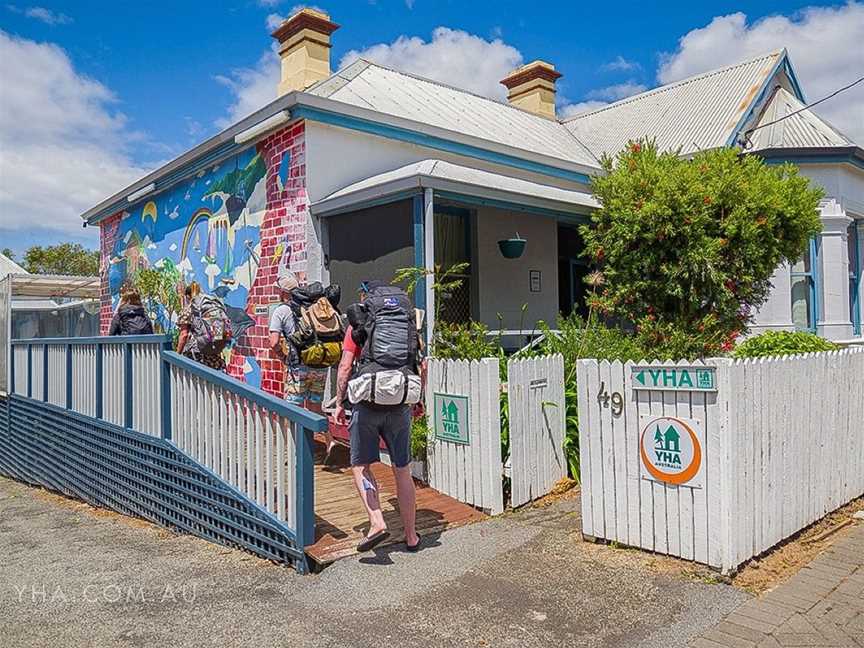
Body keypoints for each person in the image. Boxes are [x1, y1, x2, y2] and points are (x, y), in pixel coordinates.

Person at [333, 280, 421, 553]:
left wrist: (339, 402)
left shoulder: (358, 324)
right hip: (399, 404)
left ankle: (377, 521)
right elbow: (422, 363)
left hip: (367, 404)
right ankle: (411, 536)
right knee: (402, 470)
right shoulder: (408, 322)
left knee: (361, 465)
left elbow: (345, 366)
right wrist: (420, 401)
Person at [268, 272, 335, 457]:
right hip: (320, 364)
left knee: (293, 410)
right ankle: (329, 440)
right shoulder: (315, 307)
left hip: (298, 367)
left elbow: (273, 342)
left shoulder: (281, 311)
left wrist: (283, 357)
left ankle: (295, 451)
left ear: (282, 292)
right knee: (315, 407)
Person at [177, 281, 231, 371]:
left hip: (196, 355)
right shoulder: (211, 305)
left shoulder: (188, 310)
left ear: (188, 296)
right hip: (214, 354)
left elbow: (184, 335)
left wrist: (177, 356)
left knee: (194, 383)